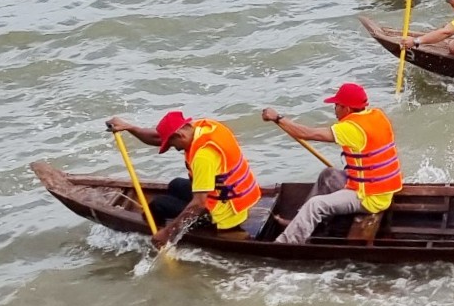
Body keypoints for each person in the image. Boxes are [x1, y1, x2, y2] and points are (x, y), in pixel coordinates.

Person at [258, 82, 402, 244]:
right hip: (380, 188)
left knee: (315, 204)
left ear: (346, 109)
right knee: (329, 175)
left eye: (336, 105)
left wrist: (277, 118)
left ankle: (285, 243)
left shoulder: (351, 128)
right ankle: (299, 222)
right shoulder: (377, 115)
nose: (334, 109)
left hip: (369, 198)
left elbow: (306, 133)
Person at [103, 110, 261, 246]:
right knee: (175, 185)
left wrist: (168, 233)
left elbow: (199, 204)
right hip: (235, 201)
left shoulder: (203, 156)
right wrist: (128, 127)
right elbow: (157, 138)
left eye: (173, 144)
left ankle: (155, 234)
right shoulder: (204, 127)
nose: (176, 148)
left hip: (223, 216)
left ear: (179, 134)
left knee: (158, 204)